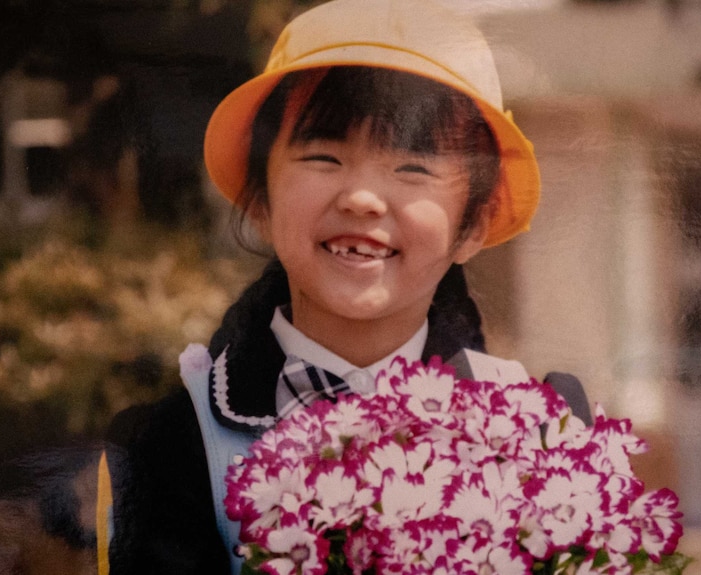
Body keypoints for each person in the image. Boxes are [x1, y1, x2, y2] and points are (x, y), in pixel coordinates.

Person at [97, 0, 591, 573]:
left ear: (473, 224)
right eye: (324, 156)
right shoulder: (172, 444)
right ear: (260, 199)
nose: (361, 197)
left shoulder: (544, 428)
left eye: (413, 167)